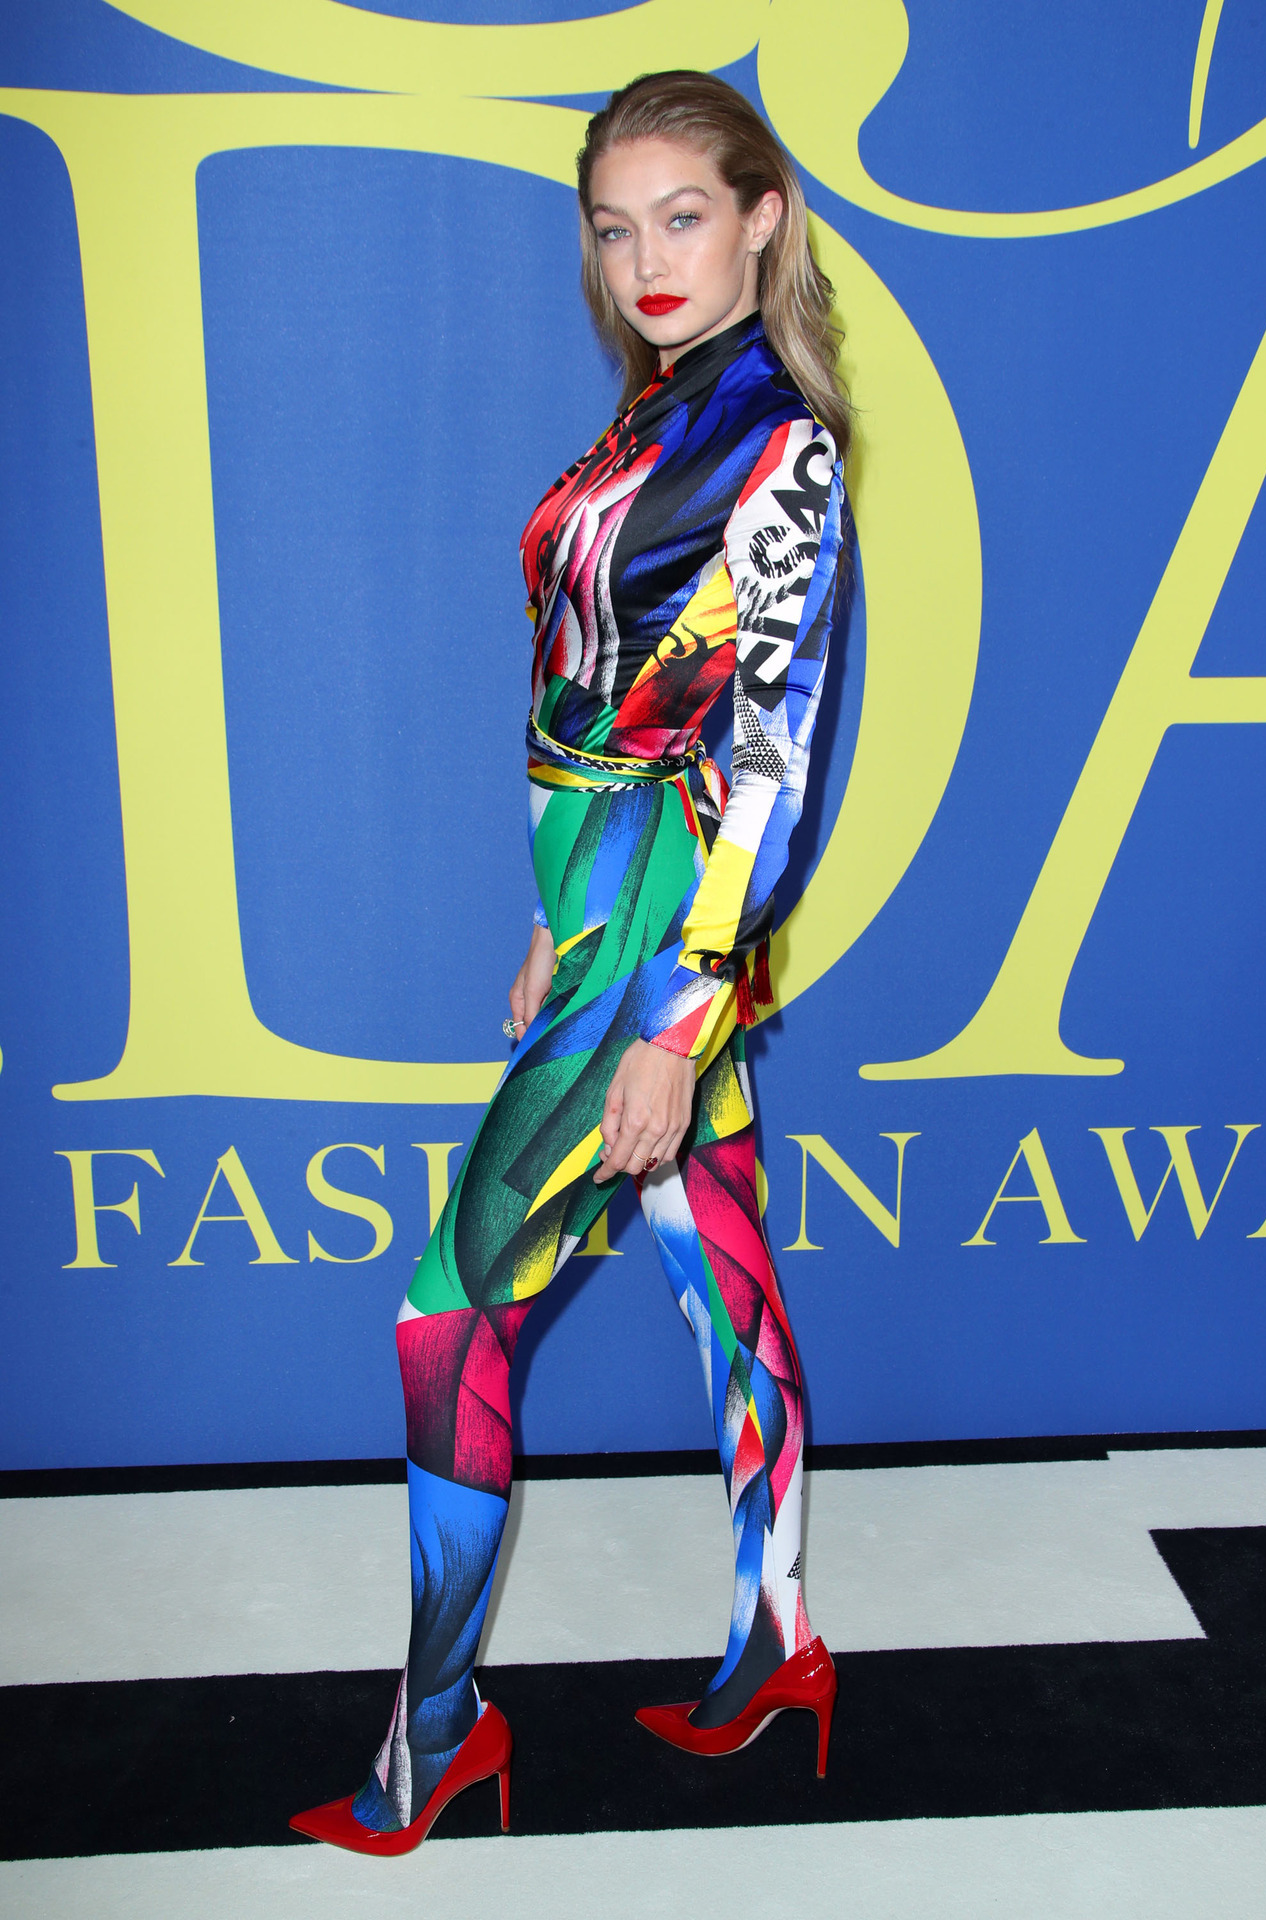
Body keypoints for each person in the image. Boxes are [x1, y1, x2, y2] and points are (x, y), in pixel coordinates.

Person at [290, 68, 850, 1856]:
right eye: (614, 230)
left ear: (762, 218)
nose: (646, 259)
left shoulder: (779, 444)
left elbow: (768, 755)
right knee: (722, 1275)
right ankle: (781, 1643)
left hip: (669, 925)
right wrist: (554, 913)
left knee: (446, 1320)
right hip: (606, 905)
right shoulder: (655, 408)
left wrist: (674, 1011)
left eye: (683, 217)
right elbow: (596, 684)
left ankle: (437, 1734)